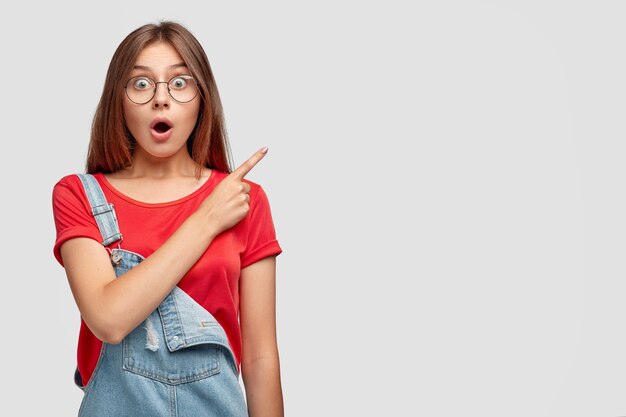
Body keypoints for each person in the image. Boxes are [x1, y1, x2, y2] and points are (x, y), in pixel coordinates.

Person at [51, 21, 284, 417]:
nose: (161, 99)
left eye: (180, 83)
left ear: (202, 98)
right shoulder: (79, 195)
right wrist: (206, 220)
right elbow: (109, 318)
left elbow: (261, 359)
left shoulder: (245, 201)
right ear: (118, 100)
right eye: (141, 84)